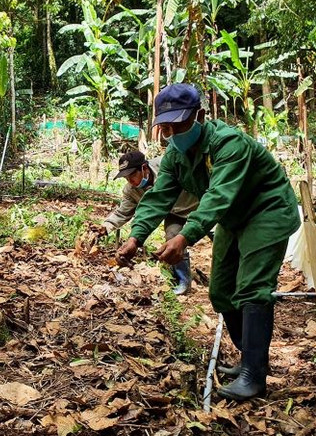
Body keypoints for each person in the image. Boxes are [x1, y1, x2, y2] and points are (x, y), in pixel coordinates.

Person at [116, 84, 299, 401]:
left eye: (179, 125)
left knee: (252, 286)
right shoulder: (176, 154)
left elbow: (217, 198)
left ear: (199, 116)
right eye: (166, 127)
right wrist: (135, 237)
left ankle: (254, 376)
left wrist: (184, 238)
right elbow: (158, 198)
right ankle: (250, 360)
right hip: (234, 218)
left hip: (266, 210)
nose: (172, 133)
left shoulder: (228, 144)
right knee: (222, 291)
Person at [103, 150, 199, 295]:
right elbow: (123, 212)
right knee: (173, 237)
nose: (131, 181)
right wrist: (105, 227)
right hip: (174, 212)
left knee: (219, 237)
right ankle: (184, 281)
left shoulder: (168, 166)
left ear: (144, 168)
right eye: (126, 178)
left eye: (132, 175)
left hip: (199, 204)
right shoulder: (131, 190)